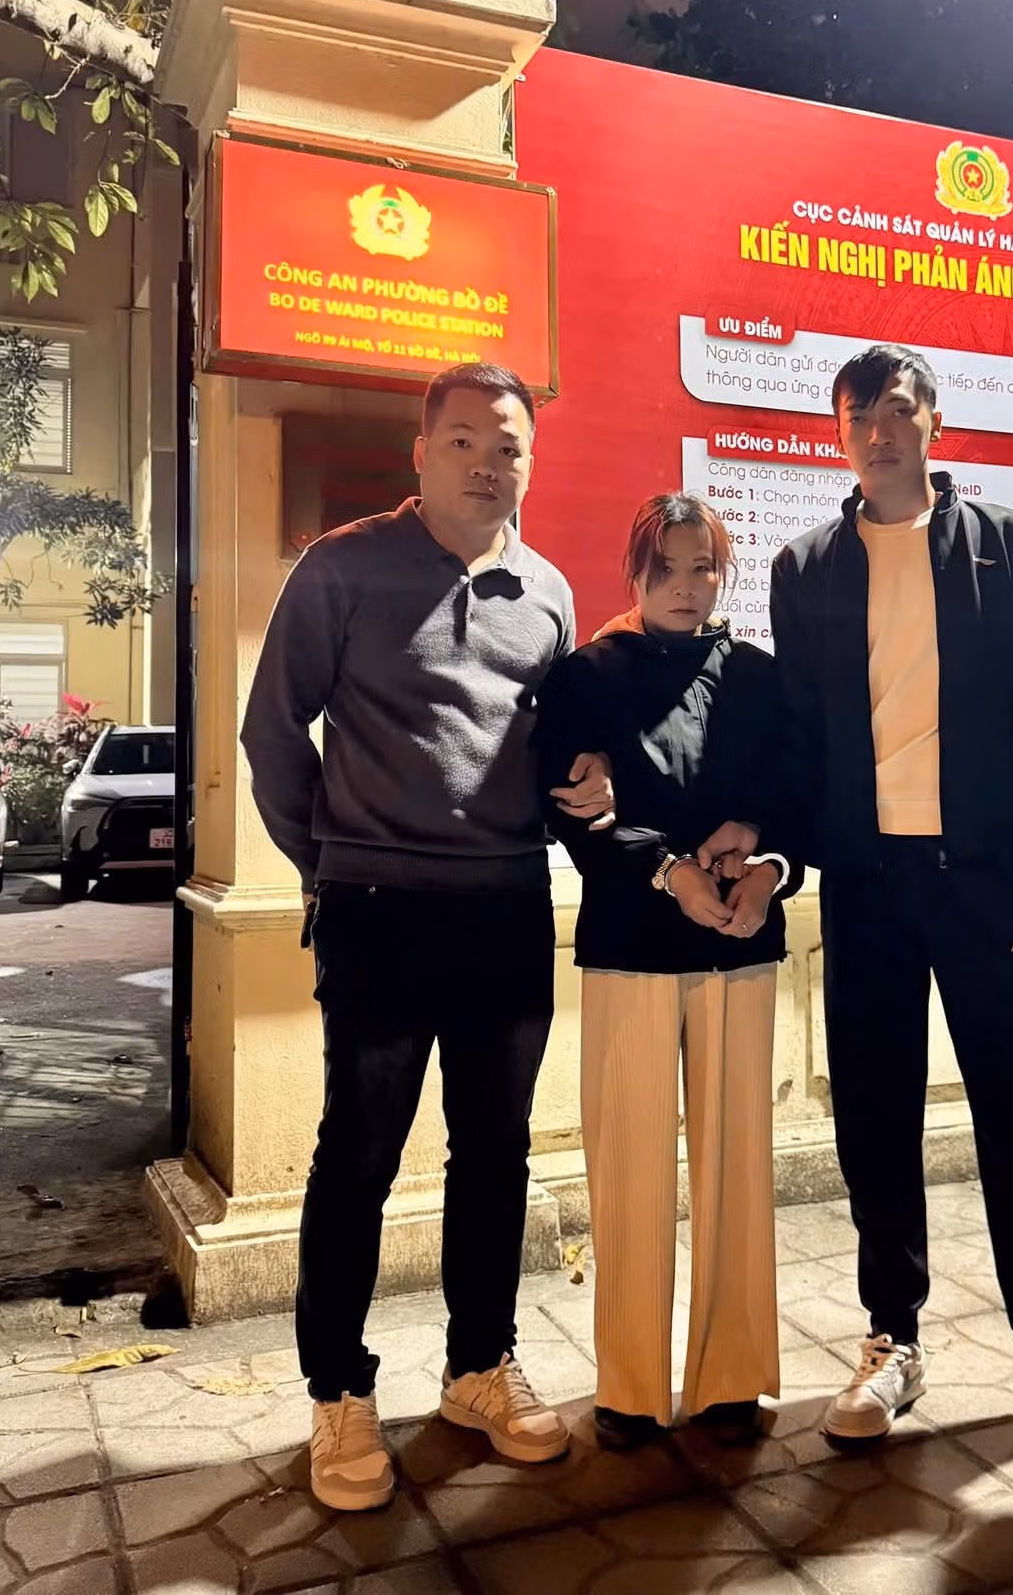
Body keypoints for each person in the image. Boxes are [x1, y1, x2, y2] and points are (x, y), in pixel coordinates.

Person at [241, 361, 613, 1513]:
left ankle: (477, 1367)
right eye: (462, 440)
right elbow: (271, 732)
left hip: (506, 906)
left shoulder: (548, 593)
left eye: (507, 445)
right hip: (378, 909)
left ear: (529, 463)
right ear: (421, 450)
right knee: (358, 1153)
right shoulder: (343, 566)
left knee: (495, 1153)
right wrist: (326, 862)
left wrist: (599, 786)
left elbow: (558, 757)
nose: (485, 462)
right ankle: (339, 1390)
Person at [733, 342, 1013, 1474]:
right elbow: (798, 736)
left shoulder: (1005, 544)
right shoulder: (805, 566)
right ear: (839, 435)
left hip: (985, 877)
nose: (878, 430)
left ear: (933, 423)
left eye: (896, 409)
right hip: (868, 884)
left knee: (1012, 1122)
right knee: (875, 1121)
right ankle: (891, 1338)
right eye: (857, 414)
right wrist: (785, 855)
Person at [533, 493, 800, 1450]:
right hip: (629, 947)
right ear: (634, 575)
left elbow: (796, 795)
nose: (686, 588)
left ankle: (730, 1381)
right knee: (628, 1170)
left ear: (723, 573)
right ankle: (631, 1387)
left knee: (737, 1167)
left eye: (703, 569)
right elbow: (572, 809)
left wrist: (767, 863)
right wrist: (666, 869)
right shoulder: (586, 676)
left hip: (739, 940)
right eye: (665, 571)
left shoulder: (762, 678)